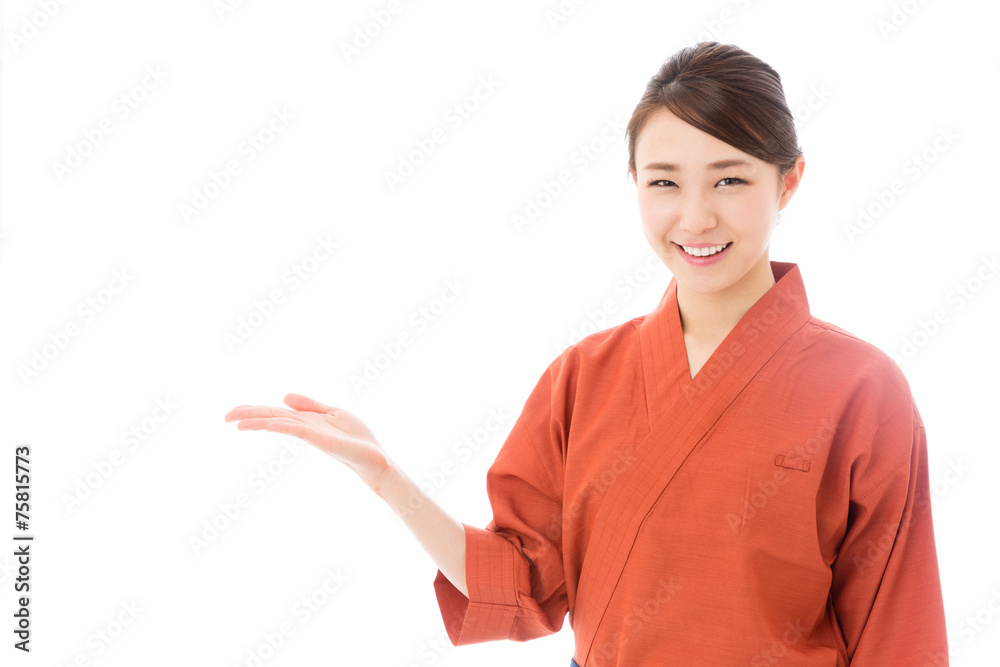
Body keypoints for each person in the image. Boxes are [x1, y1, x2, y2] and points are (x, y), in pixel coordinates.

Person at [224, 41, 949, 666]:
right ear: (635, 184)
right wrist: (385, 478)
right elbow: (518, 582)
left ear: (788, 180)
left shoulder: (863, 390)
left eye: (730, 179)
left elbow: (900, 629)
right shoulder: (585, 375)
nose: (696, 217)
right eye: (665, 182)